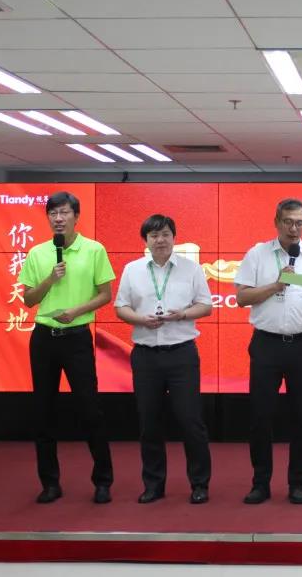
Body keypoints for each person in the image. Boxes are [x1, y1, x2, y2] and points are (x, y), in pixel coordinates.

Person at [234, 198, 302, 505]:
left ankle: (298, 483)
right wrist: (275, 285)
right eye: (288, 222)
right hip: (266, 344)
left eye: (299, 223)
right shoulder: (257, 254)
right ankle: (260, 483)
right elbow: (241, 298)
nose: (294, 228)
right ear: (277, 222)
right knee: (260, 416)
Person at [18, 191, 115, 504]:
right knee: (43, 411)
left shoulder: (94, 249)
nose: (58, 219)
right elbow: (28, 299)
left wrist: (76, 311)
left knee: (90, 409)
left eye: (64, 213)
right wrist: (50, 279)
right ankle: (50, 483)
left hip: (76, 337)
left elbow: (105, 294)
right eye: (53, 214)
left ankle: (103, 481)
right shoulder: (37, 253)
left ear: (76, 216)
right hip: (44, 338)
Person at [115, 214, 214, 504]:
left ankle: (200, 484)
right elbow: (121, 307)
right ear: (145, 240)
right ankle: (153, 484)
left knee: (190, 421)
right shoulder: (132, 269)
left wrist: (183, 314)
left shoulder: (191, 269)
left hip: (182, 354)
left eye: (166, 234)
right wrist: (140, 320)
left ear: (174, 237)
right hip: (146, 355)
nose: (160, 240)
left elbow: (206, 306)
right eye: (154, 236)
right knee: (149, 422)